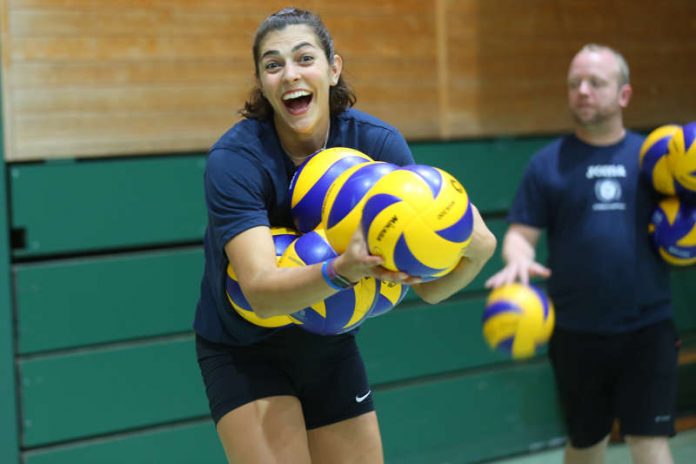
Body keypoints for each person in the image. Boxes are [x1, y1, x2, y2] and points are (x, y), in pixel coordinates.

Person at [193, 8, 496, 464]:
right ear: (261, 81)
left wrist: (475, 255)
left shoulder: (377, 147)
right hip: (245, 348)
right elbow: (261, 294)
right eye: (273, 65)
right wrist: (339, 270)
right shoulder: (235, 160)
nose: (290, 74)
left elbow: (431, 289)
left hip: (329, 342)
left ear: (333, 69)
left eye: (304, 58)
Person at [485, 44, 678, 464]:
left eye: (596, 82)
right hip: (575, 334)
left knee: (650, 443)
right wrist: (517, 256)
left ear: (624, 94)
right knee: (586, 444)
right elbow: (520, 233)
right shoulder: (546, 164)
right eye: (575, 84)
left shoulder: (655, 162)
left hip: (647, 331)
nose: (583, 91)